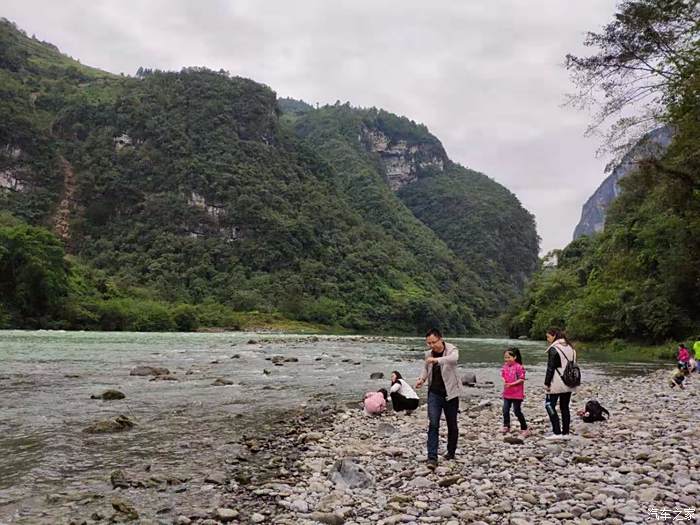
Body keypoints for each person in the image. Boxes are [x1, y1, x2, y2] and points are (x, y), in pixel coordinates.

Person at [415, 328, 462, 469]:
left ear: (440, 339)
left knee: (452, 424)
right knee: (433, 424)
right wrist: (421, 379)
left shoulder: (451, 349)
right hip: (434, 393)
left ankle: (451, 452)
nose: (431, 346)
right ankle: (432, 458)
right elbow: (426, 368)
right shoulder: (428, 354)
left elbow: (454, 359)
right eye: (428, 343)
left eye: (433, 342)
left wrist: (436, 360)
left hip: (450, 393)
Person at [543, 327, 577, 440]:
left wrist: (546, 383)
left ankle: (557, 432)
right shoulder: (571, 348)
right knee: (565, 407)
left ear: (554, 336)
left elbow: (550, 368)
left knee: (549, 405)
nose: (547, 339)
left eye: (548, 337)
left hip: (556, 382)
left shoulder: (554, 349)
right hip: (569, 381)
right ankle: (566, 433)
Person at [501, 347, 529, 437]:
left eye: (509, 357)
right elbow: (502, 375)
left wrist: (511, 384)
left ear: (515, 357)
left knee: (517, 411)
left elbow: (522, 379)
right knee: (505, 409)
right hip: (507, 393)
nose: (507, 359)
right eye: (505, 357)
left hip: (517, 394)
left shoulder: (519, 367)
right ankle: (506, 426)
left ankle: (524, 428)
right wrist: (504, 381)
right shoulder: (505, 366)